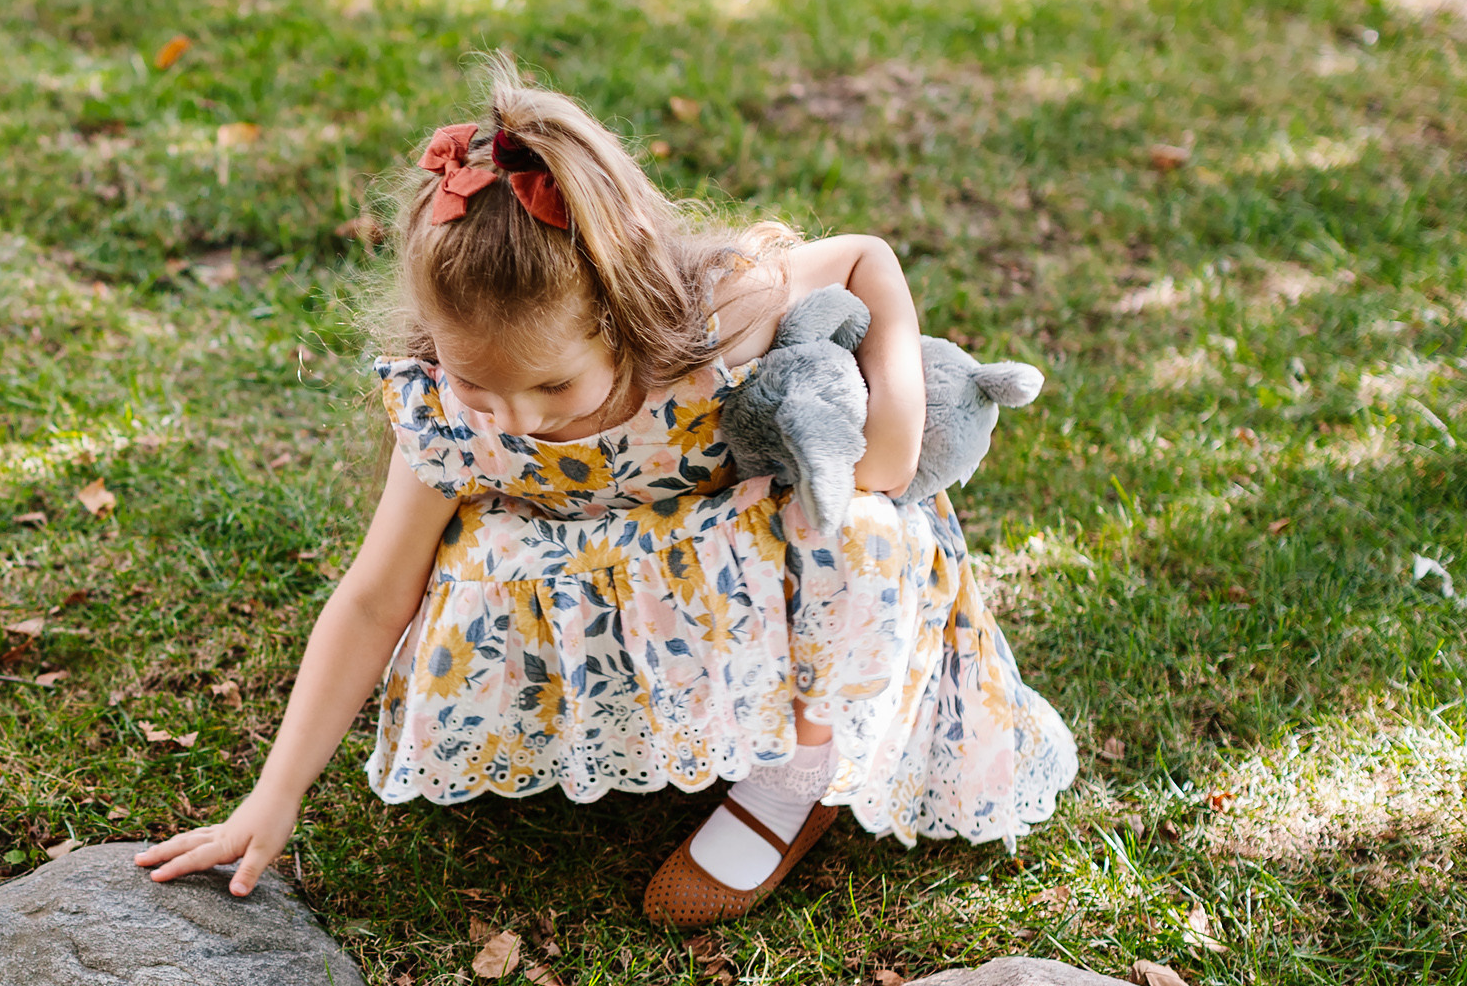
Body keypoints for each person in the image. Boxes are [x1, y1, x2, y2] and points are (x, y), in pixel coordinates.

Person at [136, 60, 1074, 922]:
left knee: (856, 519)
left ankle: (798, 773)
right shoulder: (449, 417)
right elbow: (376, 596)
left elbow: (865, 255)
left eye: (552, 386)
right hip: (615, 572)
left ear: (614, 309)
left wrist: (895, 422)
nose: (515, 417)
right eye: (479, 381)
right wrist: (275, 792)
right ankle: (632, 727)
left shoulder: (708, 322)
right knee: (486, 553)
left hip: (745, 547)